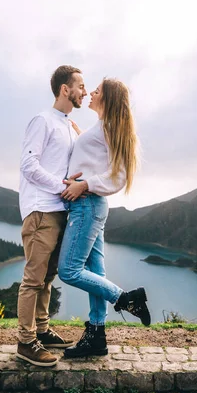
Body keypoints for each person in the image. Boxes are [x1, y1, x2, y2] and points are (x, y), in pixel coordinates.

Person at [58, 78, 150, 358]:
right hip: (91, 207)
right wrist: (79, 133)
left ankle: (126, 299)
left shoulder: (109, 127)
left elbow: (118, 176)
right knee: (96, 274)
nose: (90, 93)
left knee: (69, 270)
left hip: (87, 205)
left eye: (96, 90)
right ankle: (97, 337)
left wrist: (83, 185)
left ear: (107, 98)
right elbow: (96, 157)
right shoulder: (102, 127)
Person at [16, 65, 87, 367]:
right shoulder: (42, 121)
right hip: (41, 210)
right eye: (80, 86)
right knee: (33, 279)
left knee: (47, 277)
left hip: (59, 211)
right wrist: (63, 186)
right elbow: (29, 166)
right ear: (64, 89)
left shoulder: (69, 125)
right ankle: (25, 341)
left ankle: (42, 331)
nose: (84, 91)